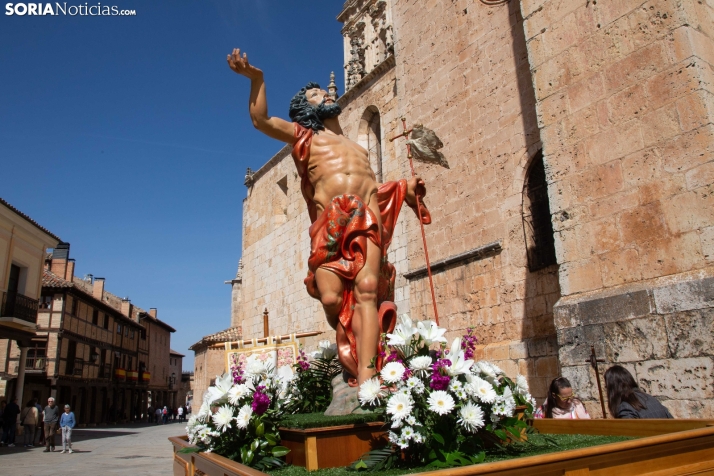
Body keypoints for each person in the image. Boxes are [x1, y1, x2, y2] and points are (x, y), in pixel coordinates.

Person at [227, 48, 430, 386]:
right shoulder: (304, 137)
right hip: (331, 224)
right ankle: (349, 336)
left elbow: (373, 187)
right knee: (334, 297)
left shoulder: (359, 148)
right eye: (316, 94)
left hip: (368, 218)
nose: (324, 94)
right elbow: (261, 121)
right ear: (309, 109)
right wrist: (256, 78)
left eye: (322, 91)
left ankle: (368, 376)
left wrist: (404, 188)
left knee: (367, 288)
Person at [604, 365, 673, 419]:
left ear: (612, 389)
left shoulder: (625, 408)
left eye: (606, 387)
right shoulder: (650, 399)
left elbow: (628, 435)